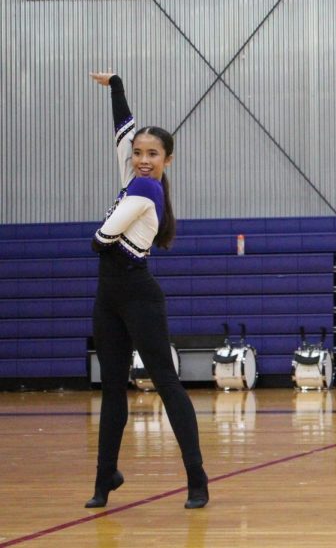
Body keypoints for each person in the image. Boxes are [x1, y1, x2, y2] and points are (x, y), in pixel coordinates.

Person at [86, 72, 208, 509]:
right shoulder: (131, 178)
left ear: (166, 160)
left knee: (167, 384)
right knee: (112, 388)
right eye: (137, 152)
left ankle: (197, 478)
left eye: (151, 153)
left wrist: (102, 235)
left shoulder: (145, 188)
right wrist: (117, 85)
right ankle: (105, 480)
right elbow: (122, 127)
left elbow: (99, 240)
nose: (141, 158)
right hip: (108, 299)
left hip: (139, 296)